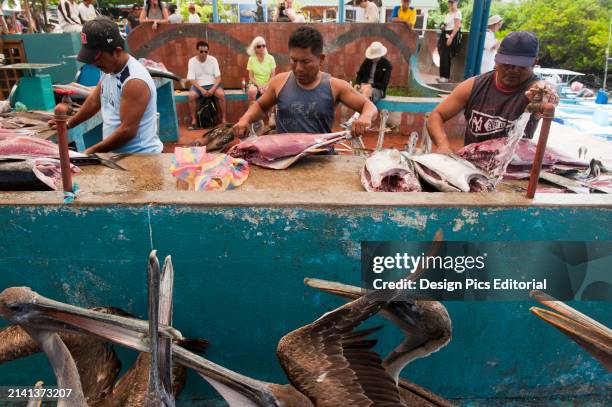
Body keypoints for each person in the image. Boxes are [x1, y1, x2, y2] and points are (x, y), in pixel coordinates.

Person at [232, 26, 377, 140]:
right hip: (284, 160)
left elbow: (369, 106)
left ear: (321, 59)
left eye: (306, 62)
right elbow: (260, 105)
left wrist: (365, 117)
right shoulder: (279, 82)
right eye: (293, 60)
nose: (299, 68)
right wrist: (245, 119)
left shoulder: (335, 86)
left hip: (321, 160)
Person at [427, 31, 560, 153]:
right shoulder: (474, 85)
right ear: (496, 60)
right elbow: (436, 115)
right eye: (507, 64)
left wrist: (547, 95)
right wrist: (443, 144)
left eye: (521, 67)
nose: (514, 70)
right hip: (472, 165)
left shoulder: (533, 90)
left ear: (534, 63)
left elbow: (543, 90)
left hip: (512, 169)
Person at [54, 18, 162, 153]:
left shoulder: (134, 81)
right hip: (118, 155)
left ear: (117, 51)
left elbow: (127, 131)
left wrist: (89, 152)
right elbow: (95, 100)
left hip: (140, 156)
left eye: (98, 59)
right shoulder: (108, 68)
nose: (94, 64)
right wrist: (69, 124)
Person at [187, 41, 226, 128]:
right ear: (197, 51)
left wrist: (212, 89)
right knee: (191, 96)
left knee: (221, 95)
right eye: (201, 51)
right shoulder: (192, 61)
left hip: (213, 84)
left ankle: (223, 119)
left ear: (208, 51)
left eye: (206, 51)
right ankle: (194, 120)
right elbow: (191, 80)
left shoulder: (213, 60)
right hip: (199, 86)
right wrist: (202, 90)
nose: (203, 53)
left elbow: (218, 77)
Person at [246, 36, 276, 105]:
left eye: (263, 45)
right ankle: (252, 112)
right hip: (255, 84)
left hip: (268, 83)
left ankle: (267, 115)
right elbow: (251, 76)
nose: (262, 48)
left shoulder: (271, 58)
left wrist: (266, 86)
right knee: (252, 91)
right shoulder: (251, 59)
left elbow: (273, 76)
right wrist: (258, 86)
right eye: (259, 46)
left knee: (269, 93)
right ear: (254, 48)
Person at [437, 0, 461, 83]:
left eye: (452, 2)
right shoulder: (448, 14)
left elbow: (457, 27)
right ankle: (442, 76)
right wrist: (443, 26)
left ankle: (445, 77)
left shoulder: (457, 13)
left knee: (446, 56)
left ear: (457, 3)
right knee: (442, 55)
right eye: (449, 2)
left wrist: (451, 38)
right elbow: (446, 25)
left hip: (451, 36)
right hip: (444, 35)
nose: (450, 4)